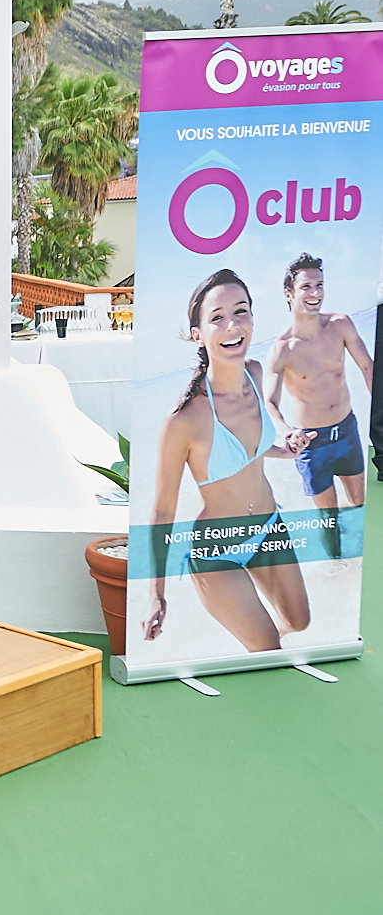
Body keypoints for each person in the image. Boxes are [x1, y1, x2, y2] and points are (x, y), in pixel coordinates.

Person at [145, 269, 310, 653]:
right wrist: (156, 593)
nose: (232, 325)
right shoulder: (183, 421)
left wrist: (287, 448)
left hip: (270, 527)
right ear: (198, 334)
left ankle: (248, 640)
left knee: (299, 623)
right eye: (217, 317)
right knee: (269, 649)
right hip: (216, 549)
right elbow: (162, 511)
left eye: (241, 311)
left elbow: (250, 449)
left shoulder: (255, 374)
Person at [263, 254, 373, 557]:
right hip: (312, 443)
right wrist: (286, 432)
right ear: (289, 294)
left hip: (347, 431)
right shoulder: (282, 349)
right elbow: (270, 402)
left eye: (319, 285)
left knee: (361, 507)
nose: (315, 293)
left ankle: (363, 573)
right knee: (329, 521)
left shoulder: (341, 324)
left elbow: (368, 368)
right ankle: (337, 568)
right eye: (306, 287)